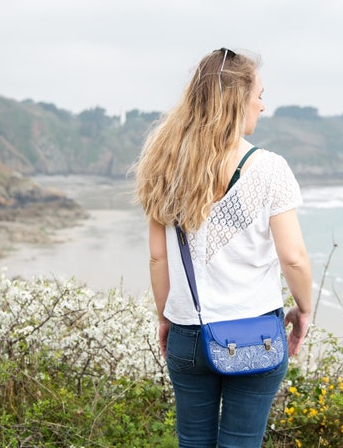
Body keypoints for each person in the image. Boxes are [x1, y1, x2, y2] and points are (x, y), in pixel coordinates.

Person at [134, 47, 313, 447]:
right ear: (238, 100)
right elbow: (294, 258)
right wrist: (304, 309)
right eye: (260, 95)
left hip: (188, 332)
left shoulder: (164, 164)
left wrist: (166, 317)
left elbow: (157, 256)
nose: (263, 106)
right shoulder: (269, 169)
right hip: (257, 334)